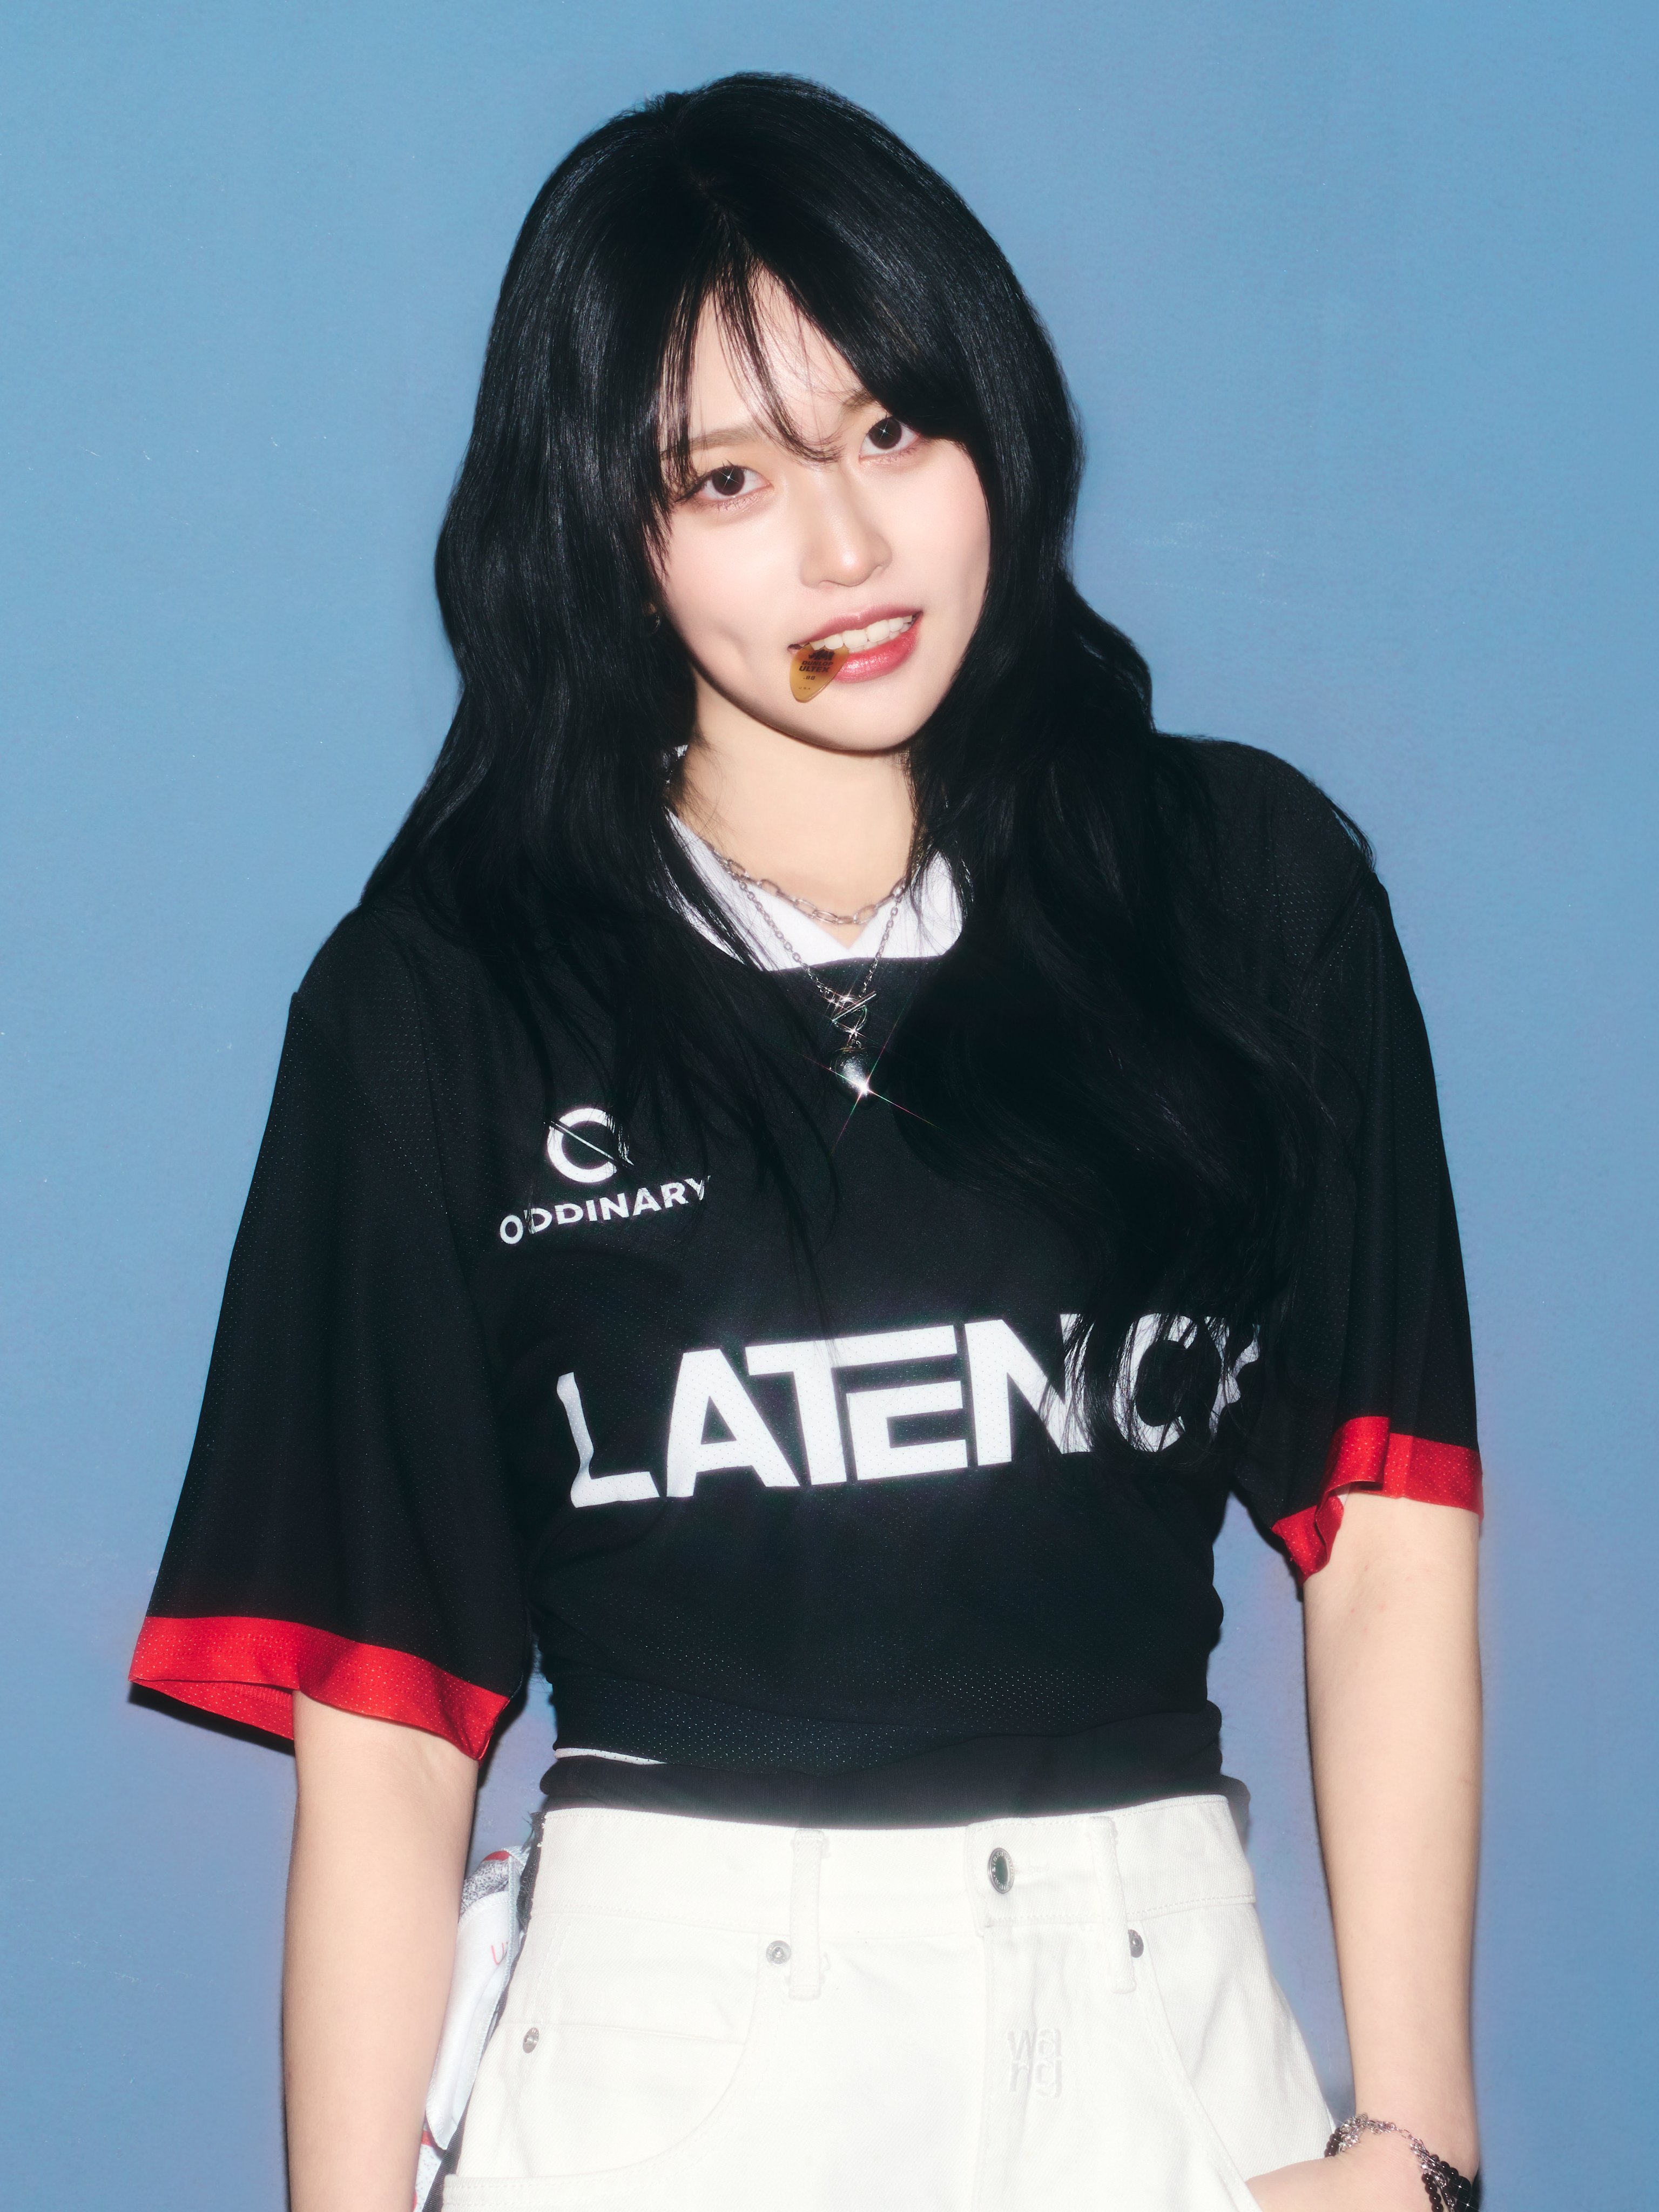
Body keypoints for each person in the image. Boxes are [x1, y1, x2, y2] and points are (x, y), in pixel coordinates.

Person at [130, 73, 1483, 2212]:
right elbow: (389, 1732)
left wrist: (1416, 2146)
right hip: (671, 2065)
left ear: (993, 422)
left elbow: (1389, 1531)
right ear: (605, 521)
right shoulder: (444, 1004)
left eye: (892, 430)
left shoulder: (1240, 893)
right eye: (729, 477)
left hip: (1160, 2035)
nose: (848, 550)